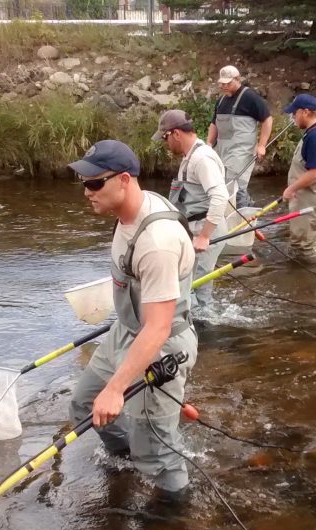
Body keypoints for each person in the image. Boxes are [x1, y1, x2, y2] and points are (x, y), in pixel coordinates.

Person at [67, 139, 198, 502]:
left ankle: (174, 518)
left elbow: (157, 327)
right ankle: (126, 460)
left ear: (124, 180)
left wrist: (116, 389)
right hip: (124, 332)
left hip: (160, 343)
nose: (86, 193)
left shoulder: (157, 242)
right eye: (83, 183)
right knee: (83, 406)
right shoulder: (127, 214)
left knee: (157, 453)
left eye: (94, 184)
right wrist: (107, 392)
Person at [154, 109, 231, 310]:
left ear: (176, 134)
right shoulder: (191, 156)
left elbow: (220, 196)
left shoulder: (201, 159)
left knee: (199, 288)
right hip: (195, 228)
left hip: (206, 230)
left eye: (165, 137)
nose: (165, 143)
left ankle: (208, 330)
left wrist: (205, 236)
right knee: (189, 285)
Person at [207, 65, 273, 209]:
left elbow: (267, 119)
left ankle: (243, 219)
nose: (224, 86)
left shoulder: (250, 97)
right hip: (222, 151)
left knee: (236, 188)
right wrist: (209, 144)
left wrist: (261, 145)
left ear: (237, 80)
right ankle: (237, 214)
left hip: (241, 152)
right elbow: (214, 123)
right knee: (220, 187)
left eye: (228, 83)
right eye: (222, 83)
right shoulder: (221, 101)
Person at [281, 93, 316, 259]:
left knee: (303, 246)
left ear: (305, 112)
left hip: (312, 198)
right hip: (310, 195)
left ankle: (308, 280)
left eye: (295, 113)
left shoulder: (315, 137)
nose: (293, 117)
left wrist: (291, 188)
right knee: (301, 242)